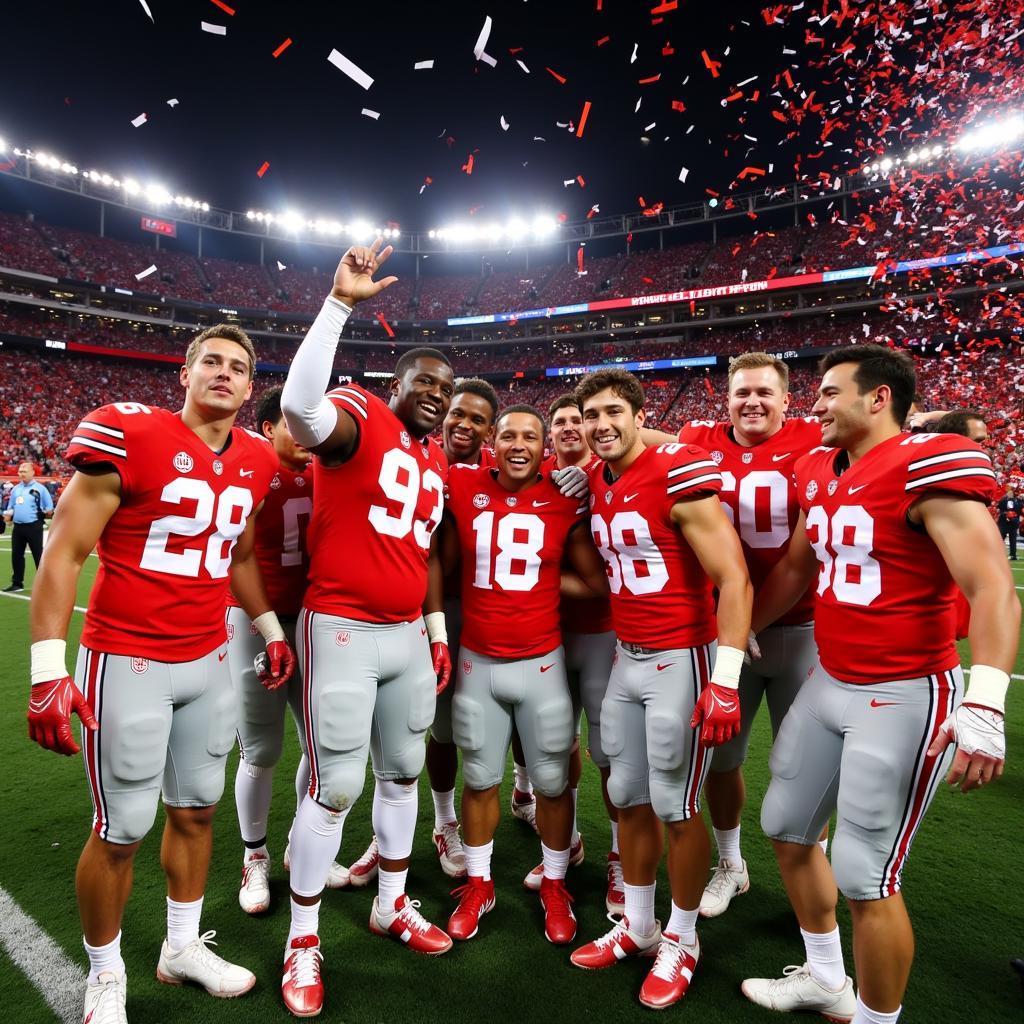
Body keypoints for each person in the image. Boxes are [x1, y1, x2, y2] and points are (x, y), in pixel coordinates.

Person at [740, 344, 1017, 1024]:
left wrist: (985, 700)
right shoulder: (818, 467)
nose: (817, 404)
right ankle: (826, 978)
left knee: (868, 875)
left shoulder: (929, 461)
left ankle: (876, 1020)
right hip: (830, 679)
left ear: (878, 398)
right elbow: (800, 569)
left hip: (904, 692)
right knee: (785, 826)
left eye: (830, 392)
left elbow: (991, 588)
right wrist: (741, 628)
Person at [26, 324, 292, 1024]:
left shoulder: (259, 459)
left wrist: (268, 628)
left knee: (199, 810)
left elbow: (237, 554)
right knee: (120, 829)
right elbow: (63, 553)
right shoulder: (131, 434)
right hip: (128, 658)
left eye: (239, 367)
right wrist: (48, 669)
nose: (225, 374)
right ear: (184, 372)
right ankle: (105, 972)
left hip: (208, 659)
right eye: (212, 361)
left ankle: (180, 948)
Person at [278, 239, 456, 1018]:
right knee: (335, 783)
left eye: (447, 388)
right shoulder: (362, 417)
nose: (438, 394)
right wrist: (340, 304)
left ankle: (390, 900)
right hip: (342, 626)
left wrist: (433, 624)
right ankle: (304, 938)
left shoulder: (432, 462)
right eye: (427, 381)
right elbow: (298, 411)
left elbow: (418, 555)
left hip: (405, 636)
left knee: (402, 773)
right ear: (396, 383)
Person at [569, 369, 753, 1011]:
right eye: (591, 414)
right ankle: (640, 926)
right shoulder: (597, 474)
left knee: (677, 803)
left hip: (683, 656)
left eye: (614, 411)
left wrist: (725, 677)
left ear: (639, 414)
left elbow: (733, 576)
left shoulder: (678, 468)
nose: (601, 425)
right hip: (627, 656)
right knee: (626, 793)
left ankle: (683, 936)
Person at [645, 352, 824, 917]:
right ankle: (731, 863)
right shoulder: (698, 436)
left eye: (765, 393)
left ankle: (815, 868)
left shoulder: (816, 439)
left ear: (788, 400)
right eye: (742, 392)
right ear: (725, 398)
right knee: (722, 757)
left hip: (799, 629)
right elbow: (644, 434)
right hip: (728, 633)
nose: (752, 402)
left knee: (809, 763)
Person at [441, 405, 610, 944]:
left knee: (554, 782)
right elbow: (439, 563)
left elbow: (594, 583)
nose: (519, 444)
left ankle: (556, 882)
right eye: (508, 434)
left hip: (541, 661)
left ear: (545, 446)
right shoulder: (464, 487)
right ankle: (479, 879)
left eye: (530, 437)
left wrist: (536, 577)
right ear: (493, 439)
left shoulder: (565, 498)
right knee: (479, 778)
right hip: (478, 661)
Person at [342, 377, 500, 887]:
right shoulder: (412, 451)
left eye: (477, 419)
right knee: (397, 728)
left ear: (489, 430)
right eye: (458, 414)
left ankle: (451, 819)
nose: (464, 425)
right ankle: (401, 831)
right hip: (406, 606)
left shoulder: (501, 467)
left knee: (453, 724)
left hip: (474, 609)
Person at [227, 386, 351, 913]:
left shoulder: (331, 467)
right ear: (267, 428)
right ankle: (254, 854)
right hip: (258, 619)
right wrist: (268, 624)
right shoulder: (250, 469)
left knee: (317, 745)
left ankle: (302, 847)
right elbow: (238, 557)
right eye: (293, 424)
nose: (305, 434)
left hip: (315, 621)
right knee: (260, 747)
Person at [520, 393, 622, 915]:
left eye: (573, 421)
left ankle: (623, 861)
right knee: (555, 747)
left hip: (605, 634)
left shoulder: (612, 472)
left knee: (611, 756)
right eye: (557, 421)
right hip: (551, 636)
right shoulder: (531, 476)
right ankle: (570, 839)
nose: (566, 429)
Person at [3, 461, 54, 592]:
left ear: (32, 472)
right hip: (18, 527)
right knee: (16, 555)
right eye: (20, 471)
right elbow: (11, 507)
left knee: (38, 555)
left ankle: (45, 584)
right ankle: (17, 583)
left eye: (24, 471)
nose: (21, 474)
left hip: (34, 526)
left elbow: (49, 509)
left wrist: (46, 513)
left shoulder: (40, 489)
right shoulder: (16, 489)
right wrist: (8, 516)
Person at [997, 484, 1019, 560]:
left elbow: (1019, 509)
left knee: (1013, 540)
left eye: (1011, 493)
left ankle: (1013, 555)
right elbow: (999, 507)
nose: (1010, 494)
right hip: (1003, 522)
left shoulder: (1017, 501)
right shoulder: (1003, 500)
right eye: (1009, 493)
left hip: (1013, 523)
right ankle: (997, 553)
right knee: (1000, 538)